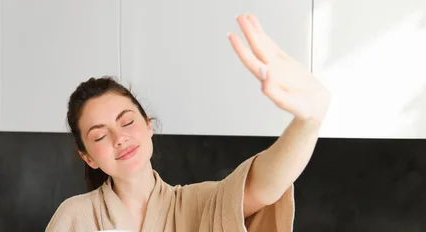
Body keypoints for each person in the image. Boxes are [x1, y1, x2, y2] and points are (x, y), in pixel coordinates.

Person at [46, 14, 330, 232]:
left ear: (148, 125)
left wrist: (309, 122)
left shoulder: (201, 204)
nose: (119, 138)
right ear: (88, 157)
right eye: (99, 137)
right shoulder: (74, 217)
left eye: (127, 121)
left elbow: (264, 186)